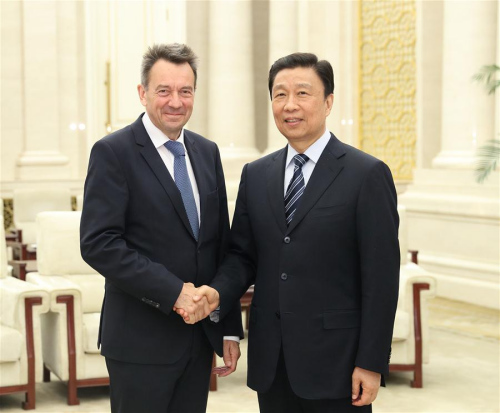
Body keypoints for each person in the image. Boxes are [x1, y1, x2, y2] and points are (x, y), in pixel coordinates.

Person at [180, 52, 400, 412]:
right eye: (280, 94)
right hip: (273, 363)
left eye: (302, 93)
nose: (289, 105)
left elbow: (381, 278)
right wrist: (217, 293)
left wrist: (371, 362)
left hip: (338, 364)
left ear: (328, 102)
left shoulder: (366, 175)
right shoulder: (256, 175)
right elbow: (242, 256)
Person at [80, 43, 243, 413]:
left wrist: (228, 326)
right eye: (163, 90)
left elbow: (219, 247)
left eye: (185, 91)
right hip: (140, 341)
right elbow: (99, 244)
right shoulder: (113, 152)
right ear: (143, 93)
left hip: (199, 339)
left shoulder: (207, 152)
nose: (175, 101)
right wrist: (174, 292)